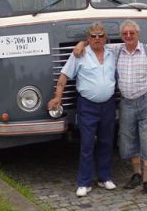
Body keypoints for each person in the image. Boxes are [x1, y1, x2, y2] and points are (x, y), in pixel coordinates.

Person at [74, 19, 147, 196]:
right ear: (121, 36)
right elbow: (96, 41)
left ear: (138, 34)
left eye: (132, 32)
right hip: (126, 103)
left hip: (146, 101)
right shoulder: (116, 50)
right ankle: (136, 174)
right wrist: (82, 43)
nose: (128, 36)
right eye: (125, 33)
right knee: (128, 138)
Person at [48, 22, 116, 197]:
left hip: (108, 105)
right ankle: (84, 182)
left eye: (100, 35)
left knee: (106, 142)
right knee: (86, 144)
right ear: (88, 38)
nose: (97, 39)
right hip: (87, 106)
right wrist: (57, 97)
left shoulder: (112, 53)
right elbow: (63, 76)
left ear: (105, 37)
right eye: (93, 36)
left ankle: (104, 177)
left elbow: (131, 42)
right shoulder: (79, 55)